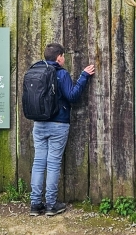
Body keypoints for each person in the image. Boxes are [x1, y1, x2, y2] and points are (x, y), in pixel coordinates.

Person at [29, 43, 95, 217]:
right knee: (52, 164)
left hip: (39, 124)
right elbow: (72, 96)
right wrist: (83, 76)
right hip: (58, 124)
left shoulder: (36, 71)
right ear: (59, 57)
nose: (64, 59)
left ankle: (35, 205)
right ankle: (51, 205)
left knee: (38, 163)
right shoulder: (61, 73)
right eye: (63, 56)